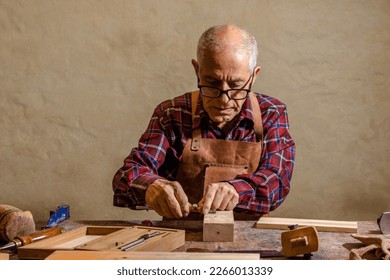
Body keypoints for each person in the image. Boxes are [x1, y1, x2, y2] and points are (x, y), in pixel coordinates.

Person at [112, 24, 295, 220]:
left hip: (249, 237)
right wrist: (151, 187)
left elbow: (278, 181)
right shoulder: (172, 113)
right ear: (197, 70)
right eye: (212, 83)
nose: (224, 99)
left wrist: (237, 190)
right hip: (180, 237)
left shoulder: (271, 113)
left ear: (253, 76)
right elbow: (127, 174)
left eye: (236, 85)